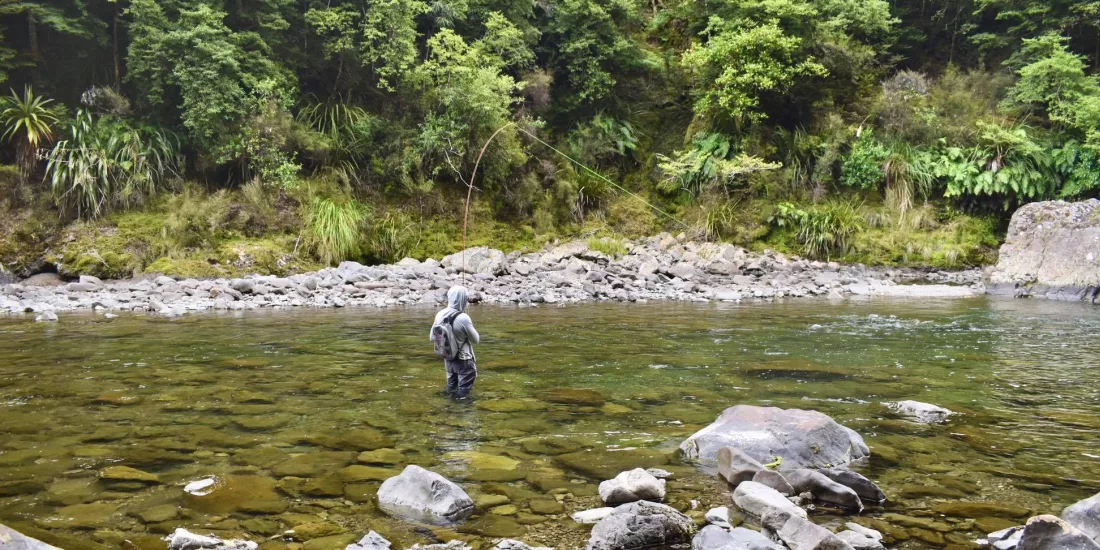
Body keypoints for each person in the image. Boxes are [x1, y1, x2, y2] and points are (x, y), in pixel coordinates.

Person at [430, 286, 480, 398]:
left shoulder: (440, 314)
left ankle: (447, 408)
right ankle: (460, 411)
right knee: (463, 393)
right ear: (462, 299)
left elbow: (432, 337)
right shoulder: (463, 318)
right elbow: (476, 340)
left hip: (448, 359)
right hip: (464, 361)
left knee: (451, 387)